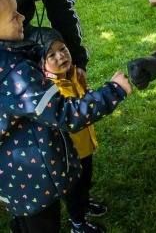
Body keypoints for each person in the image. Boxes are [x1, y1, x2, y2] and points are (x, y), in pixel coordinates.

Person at [0, 0, 131, 233]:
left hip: (14, 179)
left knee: (23, 224)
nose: (22, 17)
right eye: (13, 16)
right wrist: (113, 90)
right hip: (30, 179)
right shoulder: (15, 74)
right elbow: (64, 113)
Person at [38, 29, 107, 233]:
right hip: (69, 155)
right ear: (42, 64)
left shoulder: (73, 75)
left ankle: (85, 205)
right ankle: (78, 224)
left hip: (84, 147)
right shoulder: (50, 89)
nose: (61, 56)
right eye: (52, 55)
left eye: (63, 49)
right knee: (74, 190)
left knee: (86, 180)